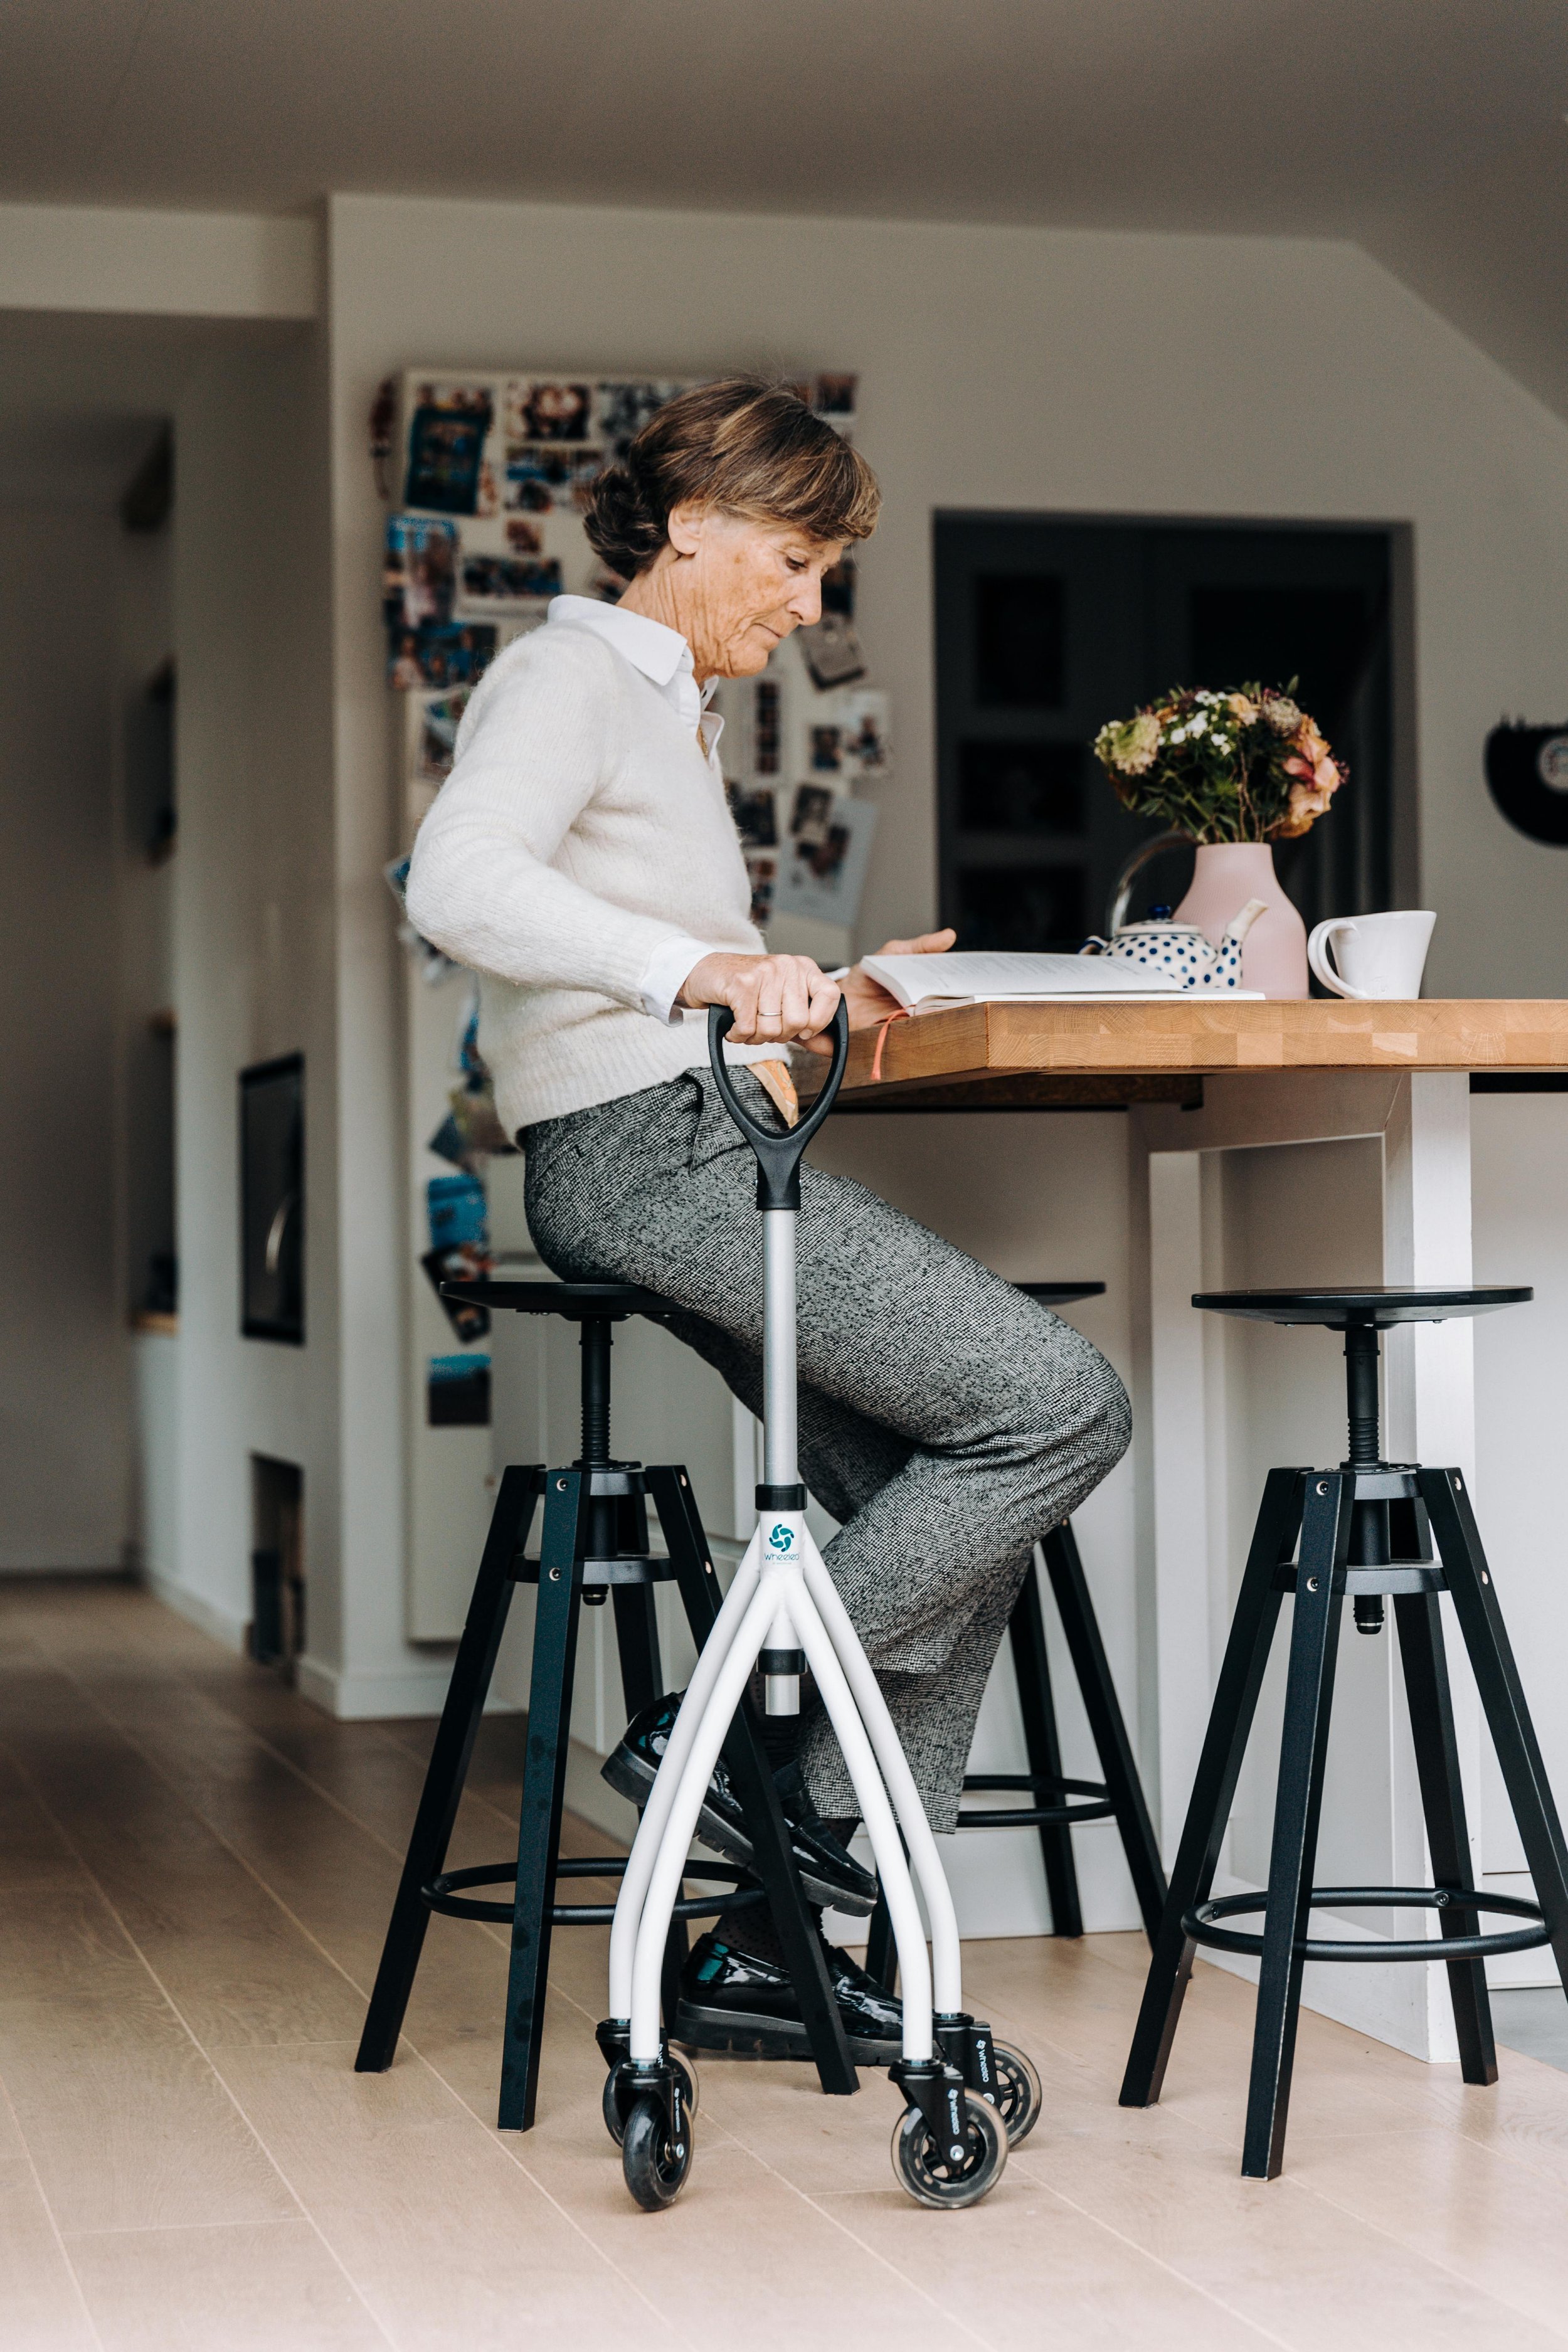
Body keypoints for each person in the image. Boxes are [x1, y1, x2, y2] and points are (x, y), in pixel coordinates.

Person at [405, 378, 1130, 2063]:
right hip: (648, 1159)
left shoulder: (668, 712)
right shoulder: (572, 672)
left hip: (683, 1132)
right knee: (1054, 1408)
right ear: (697, 527)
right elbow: (455, 880)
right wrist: (707, 969)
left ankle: (779, 1945)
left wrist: (823, 997)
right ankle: (717, 1742)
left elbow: (657, 978)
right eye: (795, 562)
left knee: (943, 1524)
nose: (806, 606)